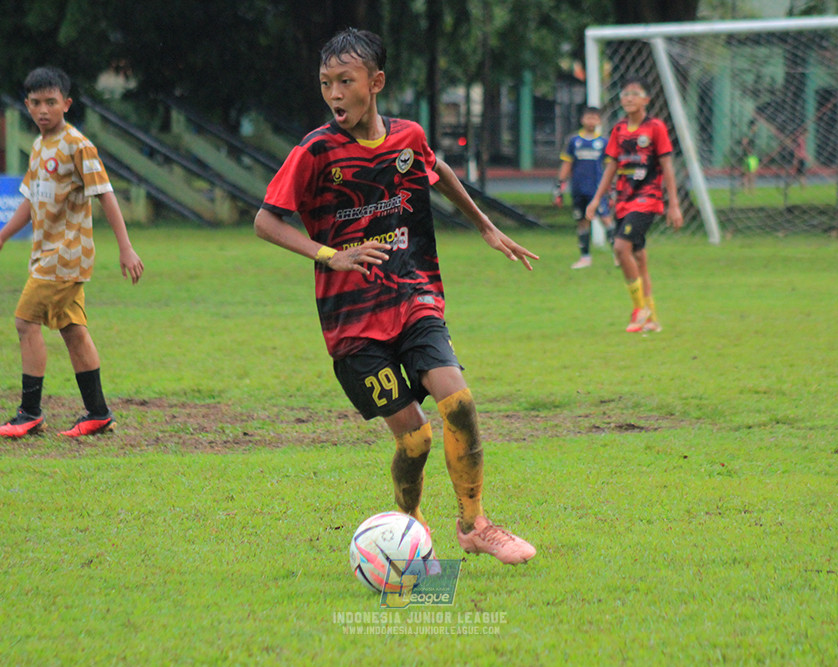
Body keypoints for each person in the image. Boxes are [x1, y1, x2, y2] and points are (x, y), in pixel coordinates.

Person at [253, 28, 538, 565]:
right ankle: (408, 526)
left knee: (460, 402)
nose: (334, 93)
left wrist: (484, 227)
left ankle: (475, 524)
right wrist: (329, 255)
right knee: (415, 442)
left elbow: (441, 169)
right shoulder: (315, 151)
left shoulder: (407, 138)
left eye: (346, 81)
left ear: (376, 82)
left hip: (414, 298)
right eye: (326, 83)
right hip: (353, 325)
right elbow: (265, 221)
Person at [0, 66, 144, 438]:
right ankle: (99, 414)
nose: (43, 109)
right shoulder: (38, 147)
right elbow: (29, 200)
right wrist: (1, 237)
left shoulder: (77, 145)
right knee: (73, 331)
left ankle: (29, 413)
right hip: (47, 255)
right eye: (36, 103)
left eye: (51, 102)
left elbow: (105, 193)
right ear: (26, 105)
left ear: (66, 104)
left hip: (66, 257)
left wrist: (126, 248)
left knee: (25, 322)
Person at [585, 77, 683, 333]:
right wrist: (596, 199)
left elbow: (667, 166)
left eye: (634, 93)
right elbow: (612, 167)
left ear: (645, 100)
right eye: (625, 94)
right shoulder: (618, 130)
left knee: (620, 247)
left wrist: (674, 204)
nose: (628, 98)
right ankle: (652, 319)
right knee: (638, 257)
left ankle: (639, 309)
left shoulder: (655, 128)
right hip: (623, 201)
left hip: (647, 199)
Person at [554, 106, 614, 268]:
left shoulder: (603, 142)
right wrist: (559, 186)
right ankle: (585, 257)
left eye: (595, 118)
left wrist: (612, 188)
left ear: (599, 121)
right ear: (582, 119)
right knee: (582, 222)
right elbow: (567, 164)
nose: (591, 121)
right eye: (588, 117)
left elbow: (610, 167)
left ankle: (618, 254)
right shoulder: (574, 141)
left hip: (598, 189)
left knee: (606, 220)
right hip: (579, 189)